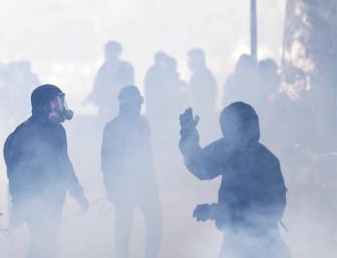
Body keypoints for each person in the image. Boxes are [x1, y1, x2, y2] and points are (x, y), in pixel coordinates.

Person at [179, 102, 289, 258]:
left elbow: (200, 166)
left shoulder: (230, 150)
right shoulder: (268, 158)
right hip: (268, 243)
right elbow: (276, 208)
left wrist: (214, 211)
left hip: (242, 243)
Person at [4, 84, 88, 258]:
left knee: (46, 243)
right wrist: (20, 205)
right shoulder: (23, 134)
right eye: (55, 102)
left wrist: (77, 192)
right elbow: (16, 174)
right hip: (34, 201)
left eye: (61, 101)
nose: (61, 106)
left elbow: (65, 164)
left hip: (55, 198)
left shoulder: (58, 130)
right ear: (43, 106)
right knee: (42, 244)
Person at [101, 86, 162, 258]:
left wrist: (152, 181)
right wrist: (111, 188)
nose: (139, 108)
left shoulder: (143, 124)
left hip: (146, 184)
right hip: (123, 186)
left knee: (155, 224)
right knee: (123, 229)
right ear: (128, 106)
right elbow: (106, 162)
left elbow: (148, 154)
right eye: (137, 105)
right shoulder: (112, 128)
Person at [86, 41, 135, 120]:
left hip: (121, 105)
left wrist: (118, 88)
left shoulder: (126, 67)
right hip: (105, 107)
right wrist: (92, 95)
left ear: (118, 52)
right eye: (106, 52)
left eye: (109, 51)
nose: (106, 54)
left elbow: (129, 84)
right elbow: (98, 84)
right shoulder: (104, 68)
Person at [187, 48, 217, 119]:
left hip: (203, 116)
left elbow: (199, 97)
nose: (189, 63)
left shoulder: (204, 76)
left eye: (191, 60)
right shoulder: (198, 76)